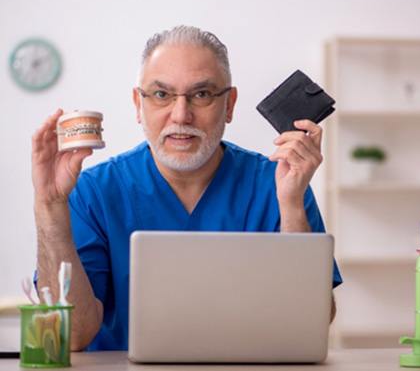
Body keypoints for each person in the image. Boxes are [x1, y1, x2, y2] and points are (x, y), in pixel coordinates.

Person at [31, 25, 342, 351]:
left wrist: (291, 205)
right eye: (162, 95)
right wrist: (49, 204)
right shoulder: (92, 191)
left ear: (230, 104)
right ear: (138, 104)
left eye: (202, 94)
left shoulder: (280, 184)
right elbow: (71, 336)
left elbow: (310, 323)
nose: (181, 115)